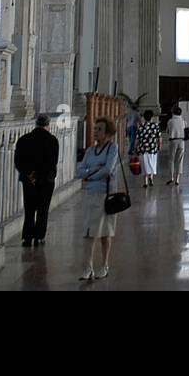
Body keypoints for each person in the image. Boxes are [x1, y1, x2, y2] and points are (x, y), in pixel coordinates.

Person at [74, 116, 121, 280]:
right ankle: (88, 266)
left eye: (99, 129)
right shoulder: (90, 151)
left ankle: (105, 264)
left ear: (107, 132)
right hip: (92, 194)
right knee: (89, 232)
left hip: (106, 194)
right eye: (95, 128)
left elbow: (108, 169)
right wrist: (94, 171)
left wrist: (89, 175)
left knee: (105, 232)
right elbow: (79, 171)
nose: (95, 132)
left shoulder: (112, 148)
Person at [15, 113, 60, 247]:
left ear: (36, 124)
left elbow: (18, 160)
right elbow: (53, 162)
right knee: (43, 209)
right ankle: (39, 237)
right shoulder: (52, 140)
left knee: (29, 209)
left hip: (29, 180)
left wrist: (29, 174)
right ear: (48, 124)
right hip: (46, 180)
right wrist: (40, 175)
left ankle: (27, 237)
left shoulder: (24, 139)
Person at [132, 107, 160, 188]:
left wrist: (134, 148)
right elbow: (159, 137)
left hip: (143, 148)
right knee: (152, 163)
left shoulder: (141, 126)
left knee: (144, 164)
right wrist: (159, 145)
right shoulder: (155, 126)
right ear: (151, 117)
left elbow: (137, 139)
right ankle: (151, 177)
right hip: (153, 148)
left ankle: (145, 182)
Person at [166, 105, 188, 186]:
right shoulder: (183, 121)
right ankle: (177, 179)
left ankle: (171, 177)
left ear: (173, 113)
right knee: (180, 159)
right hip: (181, 141)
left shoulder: (170, 121)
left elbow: (167, 130)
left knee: (171, 159)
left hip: (173, 140)